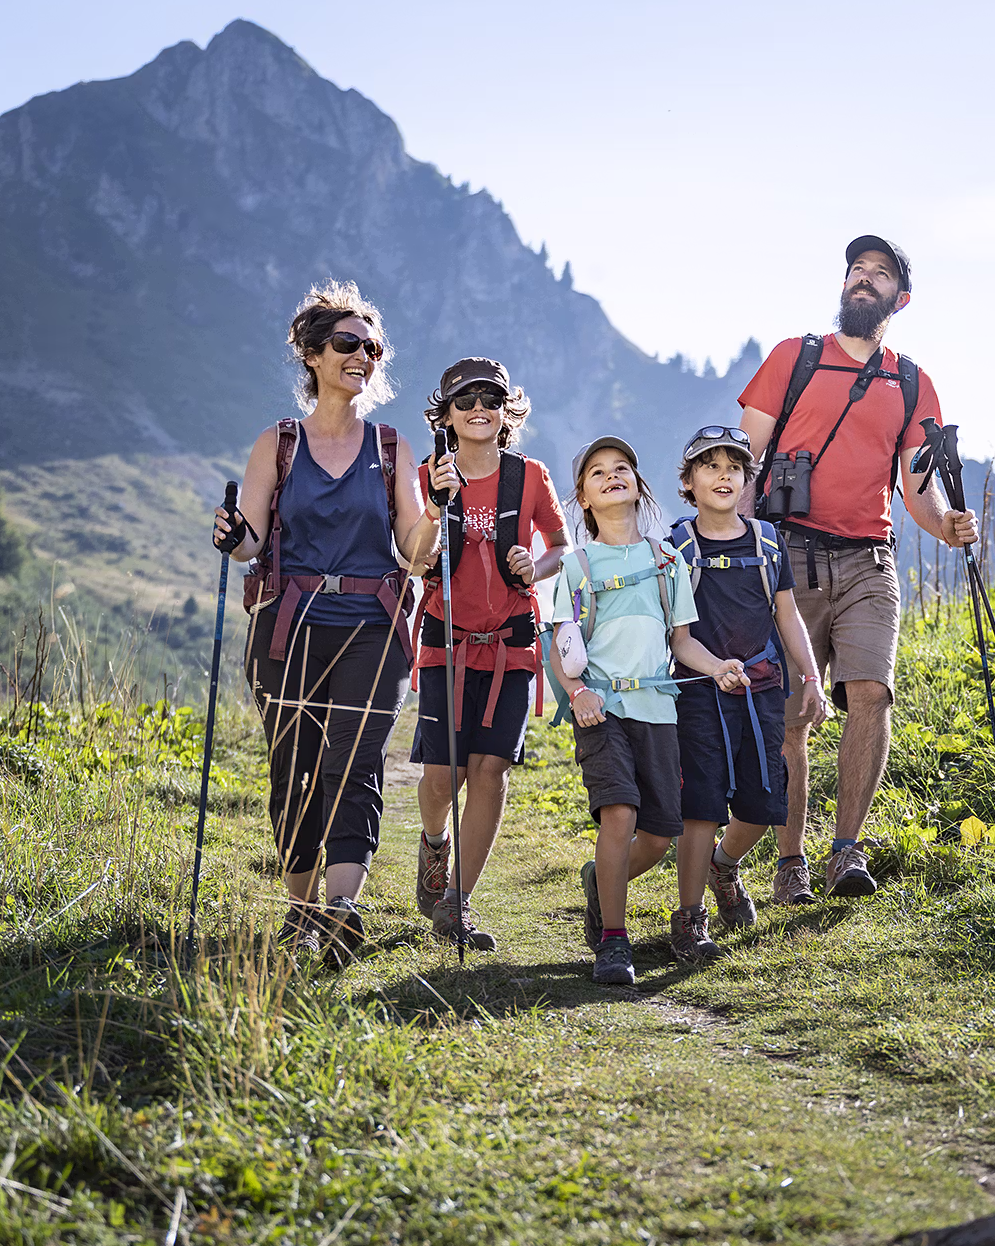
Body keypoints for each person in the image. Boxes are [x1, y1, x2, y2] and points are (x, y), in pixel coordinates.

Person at [736, 235, 978, 903]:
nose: (863, 280)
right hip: (788, 556)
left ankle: (847, 851)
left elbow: (918, 486)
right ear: (844, 286)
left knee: (870, 694)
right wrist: (733, 548)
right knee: (791, 716)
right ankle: (791, 863)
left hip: (870, 560)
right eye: (856, 271)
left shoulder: (910, 381)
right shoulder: (795, 358)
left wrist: (945, 525)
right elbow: (740, 461)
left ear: (899, 298)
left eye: (879, 274)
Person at [213, 281, 447, 961]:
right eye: (348, 344)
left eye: (372, 348)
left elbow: (413, 554)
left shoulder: (394, 447)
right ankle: (302, 910)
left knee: (355, 761)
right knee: (295, 765)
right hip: (287, 628)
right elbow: (252, 541)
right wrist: (233, 534)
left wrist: (433, 512)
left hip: (373, 632)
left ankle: (343, 909)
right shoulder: (278, 445)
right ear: (313, 355)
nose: (363, 357)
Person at [548, 436, 747, 988]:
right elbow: (561, 643)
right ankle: (614, 940)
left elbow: (682, 641)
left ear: (639, 486)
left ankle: (599, 880)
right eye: (597, 473)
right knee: (619, 815)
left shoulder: (667, 562)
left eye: (623, 468)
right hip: (601, 710)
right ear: (583, 498)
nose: (613, 476)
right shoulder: (577, 565)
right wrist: (577, 692)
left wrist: (717, 667)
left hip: (658, 708)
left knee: (658, 836)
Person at [412, 358, 569, 949]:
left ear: (507, 412)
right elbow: (411, 555)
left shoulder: (528, 476)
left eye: (492, 399)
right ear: (446, 414)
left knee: (490, 770)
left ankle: (457, 903)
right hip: (444, 642)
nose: (480, 408)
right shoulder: (427, 475)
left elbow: (558, 545)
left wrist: (539, 565)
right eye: (466, 400)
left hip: (512, 642)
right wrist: (434, 507)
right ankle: (433, 844)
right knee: (442, 773)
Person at [667, 427, 828, 960]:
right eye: (709, 467)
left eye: (733, 467)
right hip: (699, 693)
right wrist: (716, 669)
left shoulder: (765, 540)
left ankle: (723, 866)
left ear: (747, 480)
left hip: (762, 691)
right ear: (688, 482)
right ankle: (690, 919)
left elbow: (788, 615)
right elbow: (678, 637)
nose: (723, 476)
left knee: (763, 804)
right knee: (702, 808)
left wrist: (811, 676)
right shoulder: (678, 546)